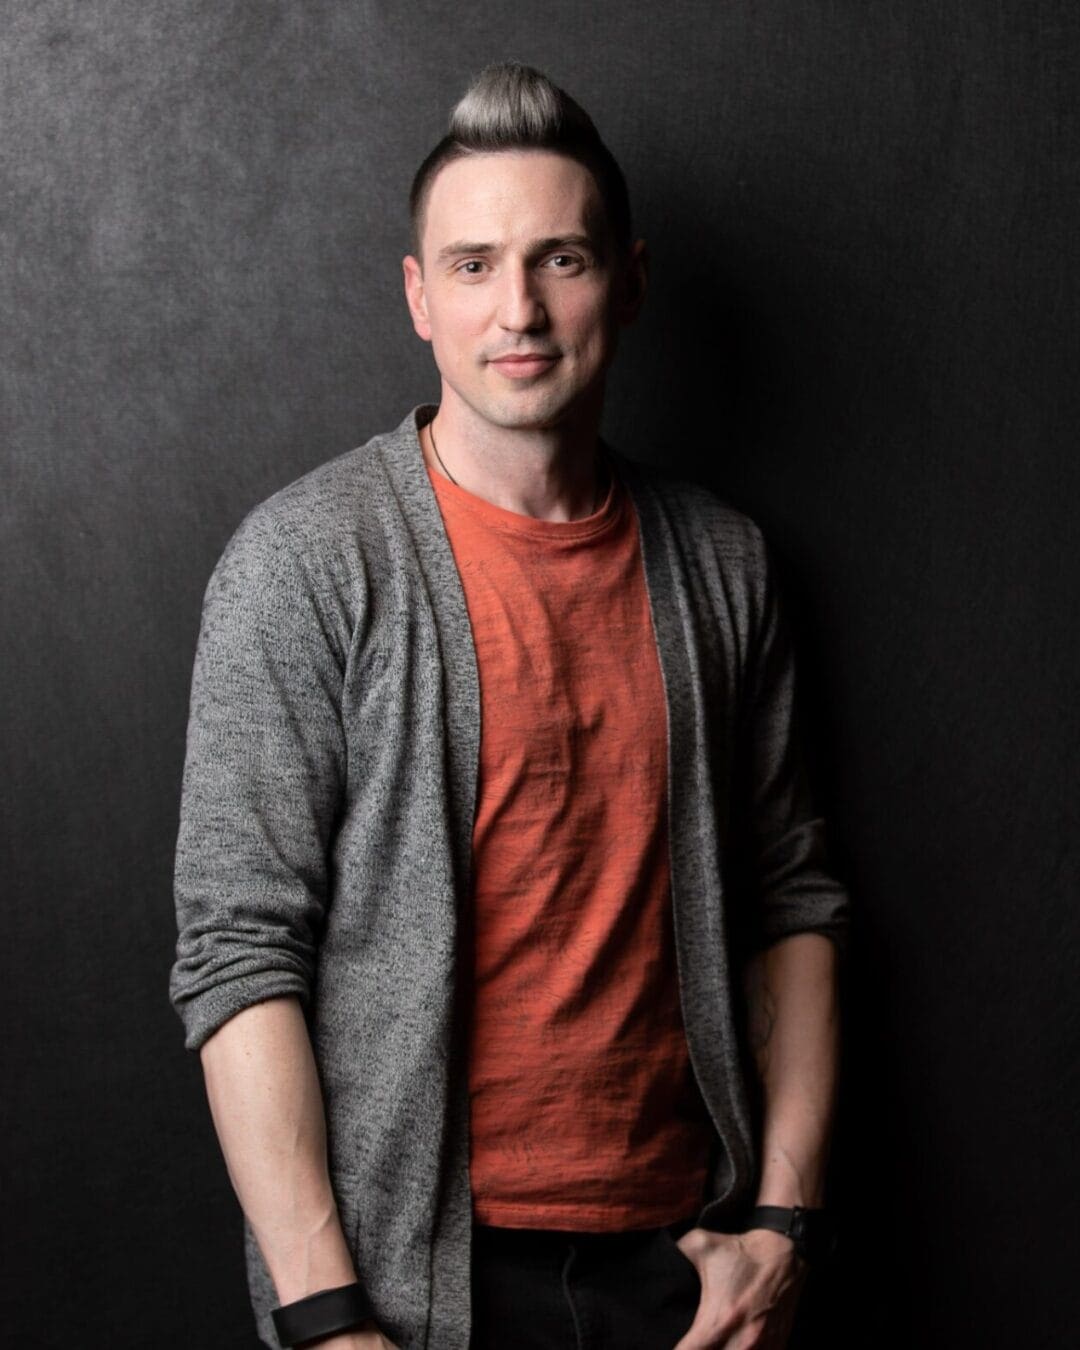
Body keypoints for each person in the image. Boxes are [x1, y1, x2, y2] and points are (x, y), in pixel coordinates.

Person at [169, 62, 850, 1350]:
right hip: (417, 1285)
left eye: (562, 261)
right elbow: (238, 954)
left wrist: (784, 1222)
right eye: (473, 266)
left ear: (630, 281)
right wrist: (327, 1315)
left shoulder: (723, 563)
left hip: (687, 1268)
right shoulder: (307, 562)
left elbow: (793, 898)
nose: (519, 311)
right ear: (420, 296)